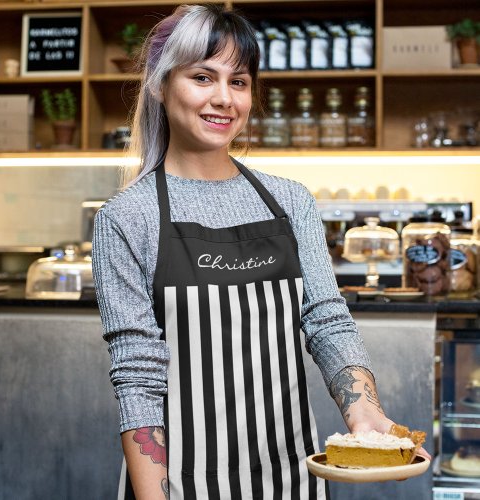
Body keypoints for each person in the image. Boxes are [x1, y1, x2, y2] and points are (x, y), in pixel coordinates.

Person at [92, 4, 430, 500]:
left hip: (291, 477)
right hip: (178, 484)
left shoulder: (290, 200)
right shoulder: (126, 218)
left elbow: (326, 319)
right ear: (162, 86)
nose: (224, 99)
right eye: (203, 77)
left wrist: (366, 416)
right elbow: (137, 375)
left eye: (240, 81)